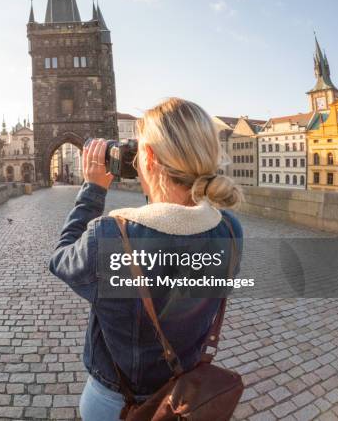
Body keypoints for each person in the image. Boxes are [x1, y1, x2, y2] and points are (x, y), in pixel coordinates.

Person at [49, 98, 243, 420]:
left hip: (114, 402)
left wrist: (92, 190)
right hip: (185, 396)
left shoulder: (112, 236)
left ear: (149, 157)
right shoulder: (230, 228)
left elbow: (61, 259)